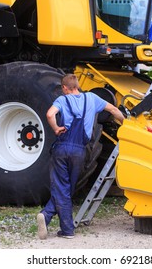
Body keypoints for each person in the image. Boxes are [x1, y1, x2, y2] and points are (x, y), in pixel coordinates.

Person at [37, 73, 124, 239]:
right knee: (68, 188)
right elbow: (113, 109)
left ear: (64, 88)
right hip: (80, 151)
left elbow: (49, 114)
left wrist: (56, 128)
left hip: (62, 148)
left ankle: (49, 216)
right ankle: (64, 228)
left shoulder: (62, 100)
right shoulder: (91, 98)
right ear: (77, 86)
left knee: (62, 187)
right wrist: (126, 125)